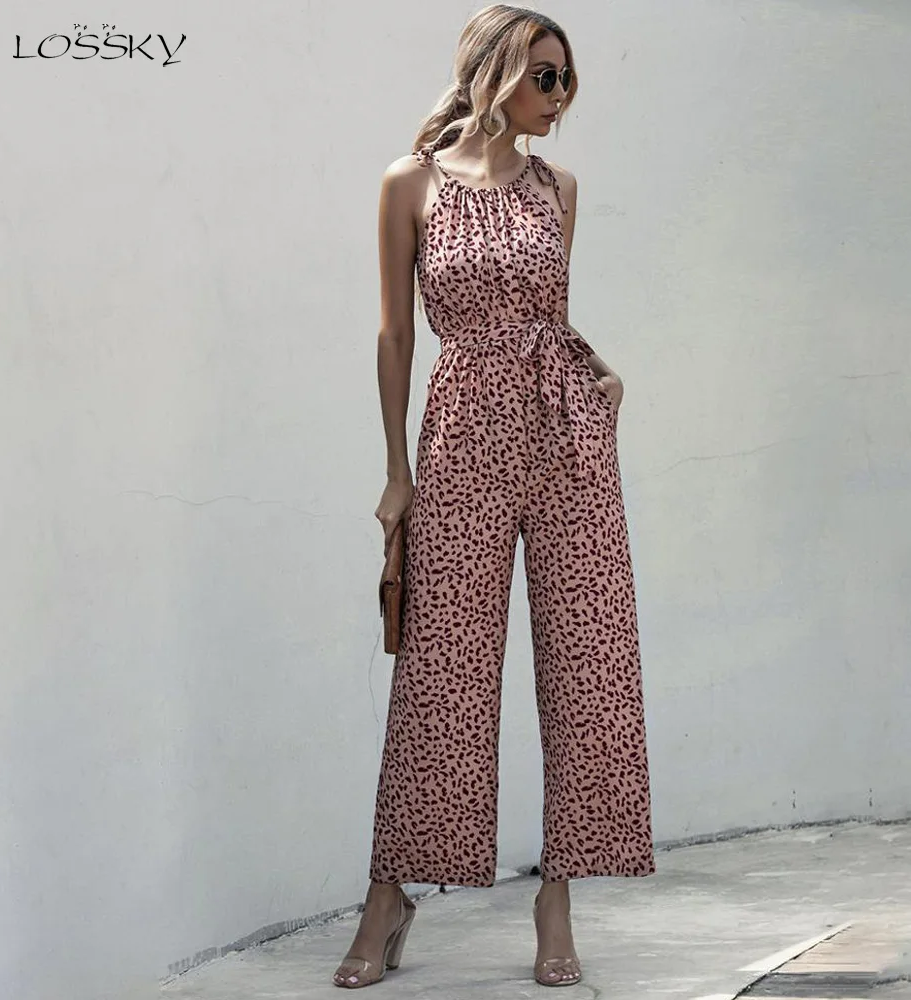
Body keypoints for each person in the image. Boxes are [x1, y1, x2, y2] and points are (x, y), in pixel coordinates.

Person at [333, 3, 655, 989]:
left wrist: (603, 377)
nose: (560, 97)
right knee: (441, 671)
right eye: (544, 76)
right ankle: (389, 896)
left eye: (568, 80)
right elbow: (396, 334)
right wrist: (397, 470)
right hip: (463, 431)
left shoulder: (559, 188)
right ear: (496, 72)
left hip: (565, 434)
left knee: (588, 661)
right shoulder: (411, 182)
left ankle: (557, 894)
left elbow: (549, 317)